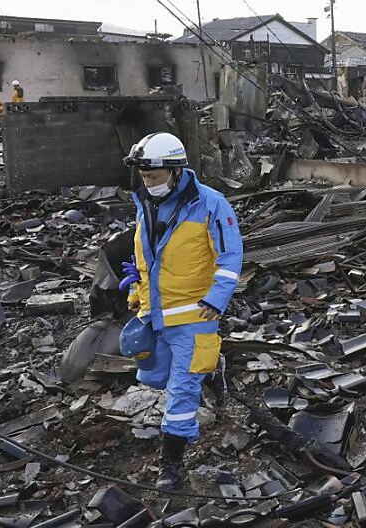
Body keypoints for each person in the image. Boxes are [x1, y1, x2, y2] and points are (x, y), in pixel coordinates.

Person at [118, 132, 242, 489]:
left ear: (175, 171)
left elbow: (230, 256)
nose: (148, 182)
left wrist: (216, 299)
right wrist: (139, 289)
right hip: (155, 313)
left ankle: (171, 463)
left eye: (154, 176)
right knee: (154, 377)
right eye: (143, 176)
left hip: (195, 315)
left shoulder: (211, 204)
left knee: (181, 390)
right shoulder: (146, 203)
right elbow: (150, 255)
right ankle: (212, 370)